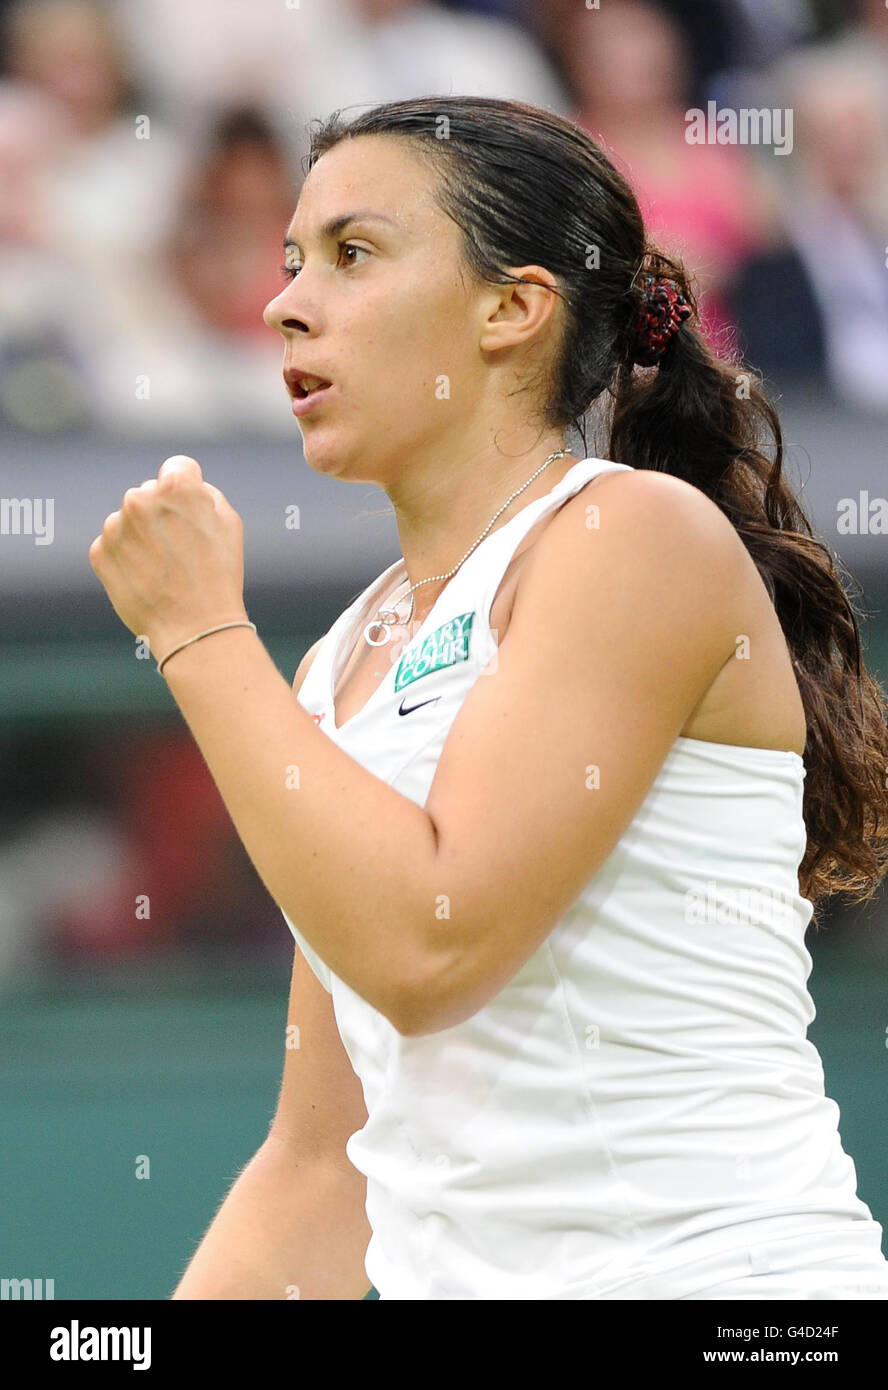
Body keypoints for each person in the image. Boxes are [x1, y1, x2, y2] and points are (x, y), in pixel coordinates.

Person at [90, 95, 888, 1300]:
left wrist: (199, 630)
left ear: (515, 306)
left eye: (353, 255)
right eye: (294, 260)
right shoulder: (338, 660)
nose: (285, 302)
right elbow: (321, 1167)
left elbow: (432, 939)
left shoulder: (631, 535)